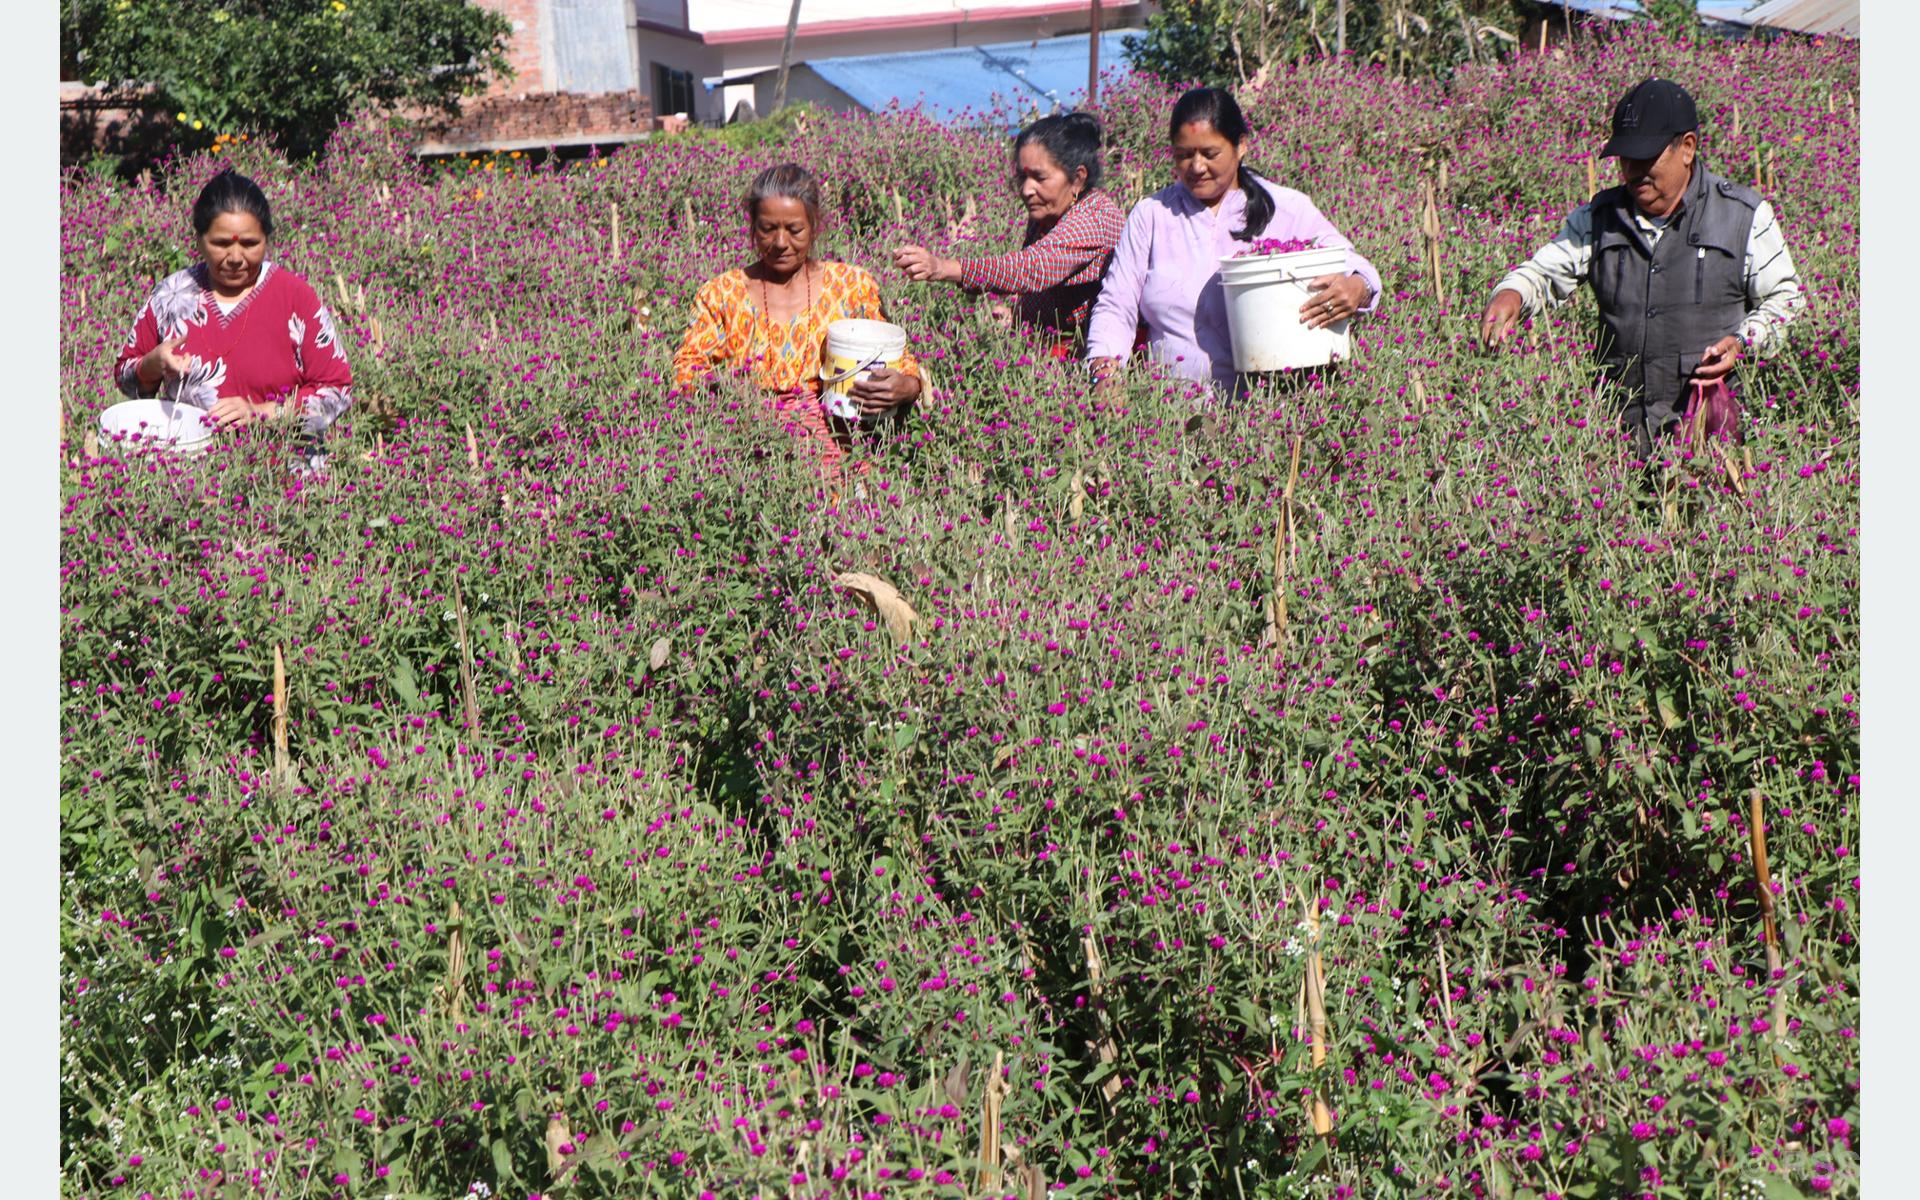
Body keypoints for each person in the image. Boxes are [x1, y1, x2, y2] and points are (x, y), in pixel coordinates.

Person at [1479, 78, 1806, 458]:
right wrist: (1511, 294)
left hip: (1713, 440)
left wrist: (1746, 340)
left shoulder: (1744, 216)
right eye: (1625, 157)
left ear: (1687, 148)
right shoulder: (1599, 219)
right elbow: (1541, 272)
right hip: (1619, 446)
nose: (1632, 170)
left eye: (1646, 157)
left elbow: (1787, 300)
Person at [1085, 86, 1381, 396]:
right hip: (1167, 417)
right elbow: (1117, 304)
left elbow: (1355, 266)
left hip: (1268, 412)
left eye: (1210, 154)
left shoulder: (1285, 208)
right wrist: (1104, 372)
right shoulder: (1152, 215)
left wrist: (1357, 288)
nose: (1197, 167)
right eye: (1184, 155)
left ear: (1240, 146)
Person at [674, 162, 922, 477]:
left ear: (814, 225)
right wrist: (736, 402)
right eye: (767, 229)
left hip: (843, 464)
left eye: (794, 230)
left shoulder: (850, 286)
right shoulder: (721, 294)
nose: (780, 243)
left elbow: (900, 359)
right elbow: (687, 369)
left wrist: (907, 386)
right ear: (752, 227)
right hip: (748, 468)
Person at [113, 169, 353, 437]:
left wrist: (263, 412)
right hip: (188, 470)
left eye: (250, 244)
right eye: (221, 243)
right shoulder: (170, 296)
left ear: (267, 240)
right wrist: (151, 364)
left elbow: (337, 390)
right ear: (199, 240)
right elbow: (126, 377)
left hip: (286, 470)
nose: (236, 257)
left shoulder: (295, 299)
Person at [892, 112, 1125, 354]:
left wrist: (944, 268)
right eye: (1022, 177)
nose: (1026, 189)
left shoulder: (1095, 218)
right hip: (1046, 349)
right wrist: (1017, 315)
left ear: (1077, 179)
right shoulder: (1048, 214)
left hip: (1091, 357)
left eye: (1039, 177)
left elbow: (1032, 268)